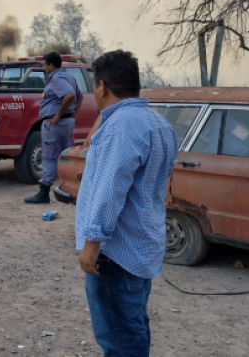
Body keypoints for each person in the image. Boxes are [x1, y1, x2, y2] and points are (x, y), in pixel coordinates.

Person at [75, 50, 177, 356]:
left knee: (120, 339)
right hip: (141, 246)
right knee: (132, 327)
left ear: (102, 86)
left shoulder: (120, 127)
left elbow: (110, 189)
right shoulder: (158, 123)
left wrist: (92, 241)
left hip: (114, 254)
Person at [24, 51, 83, 204]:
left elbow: (69, 95)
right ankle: (69, 191)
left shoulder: (57, 78)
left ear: (51, 65)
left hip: (55, 124)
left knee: (49, 158)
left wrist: (57, 116)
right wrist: (72, 116)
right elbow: (80, 96)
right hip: (67, 122)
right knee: (66, 157)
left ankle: (43, 193)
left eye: (45, 65)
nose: (44, 68)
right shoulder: (69, 77)